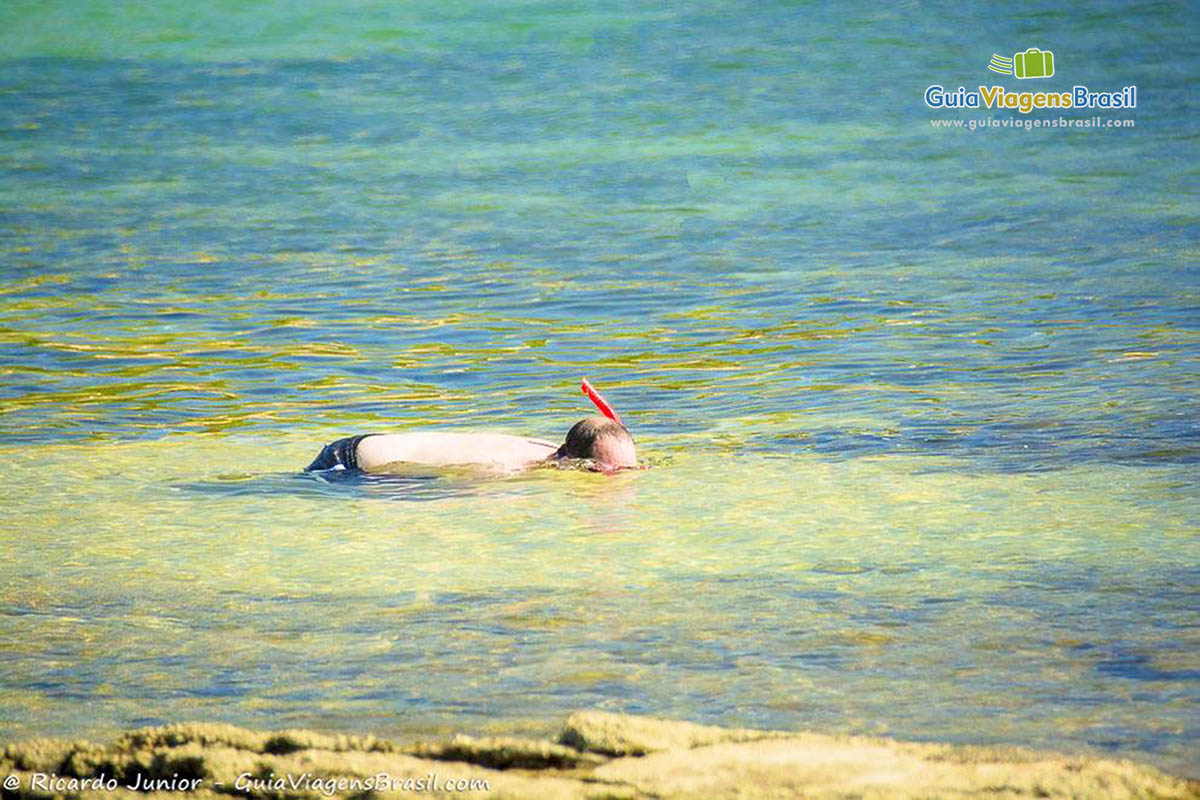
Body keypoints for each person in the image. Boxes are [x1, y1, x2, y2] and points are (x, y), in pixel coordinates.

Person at [305, 416, 637, 474]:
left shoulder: (551, 449)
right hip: (346, 464)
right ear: (572, 460)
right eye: (603, 472)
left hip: (365, 453)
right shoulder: (505, 469)